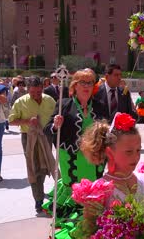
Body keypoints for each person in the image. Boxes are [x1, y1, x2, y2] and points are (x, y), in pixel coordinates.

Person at [79, 113, 144, 238]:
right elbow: (88, 231)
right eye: (128, 152)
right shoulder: (99, 191)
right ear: (110, 152)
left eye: (138, 150)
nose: (135, 157)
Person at [42, 69, 105, 233]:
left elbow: (109, 131)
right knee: (76, 202)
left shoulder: (100, 106)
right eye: (82, 82)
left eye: (90, 82)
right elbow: (47, 130)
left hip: (94, 162)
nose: (86, 86)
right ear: (74, 86)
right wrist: (56, 125)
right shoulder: (64, 104)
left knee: (93, 204)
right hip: (72, 162)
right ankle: (73, 232)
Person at [9, 76, 57, 213]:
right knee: (33, 167)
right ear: (27, 90)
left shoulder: (49, 100)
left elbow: (56, 116)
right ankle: (38, 199)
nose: (36, 95)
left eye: (38, 92)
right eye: (32, 93)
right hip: (29, 138)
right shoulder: (20, 102)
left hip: (47, 136)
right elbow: (11, 121)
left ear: (42, 88)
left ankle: (52, 195)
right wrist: (26, 121)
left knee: (47, 165)